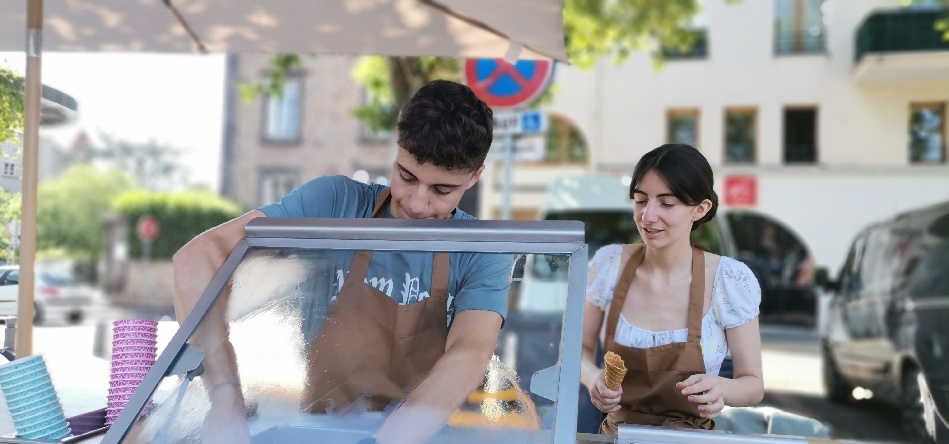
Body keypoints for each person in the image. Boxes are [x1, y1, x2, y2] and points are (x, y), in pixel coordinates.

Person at [171, 80, 512, 444]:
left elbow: (469, 352)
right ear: (397, 151)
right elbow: (198, 257)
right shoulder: (335, 203)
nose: (416, 203)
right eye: (406, 177)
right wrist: (225, 399)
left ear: (475, 177)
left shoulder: (481, 249)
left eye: (441, 190)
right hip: (319, 432)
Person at [579, 143, 764, 434]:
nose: (648, 216)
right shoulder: (609, 265)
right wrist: (593, 378)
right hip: (615, 437)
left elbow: (753, 384)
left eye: (666, 204)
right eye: (641, 200)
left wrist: (722, 388)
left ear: (700, 209)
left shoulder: (728, 279)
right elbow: (580, 348)